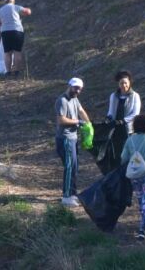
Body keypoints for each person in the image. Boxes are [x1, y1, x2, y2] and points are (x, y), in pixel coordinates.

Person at [55, 77, 90, 207]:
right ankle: (66, 196)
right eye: (75, 88)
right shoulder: (62, 101)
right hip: (65, 138)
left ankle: (73, 193)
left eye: (80, 89)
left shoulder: (75, 99)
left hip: (73, 138)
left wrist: (88, 124)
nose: (77, 91)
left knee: (75, 167)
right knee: (69, 167)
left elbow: (81, 111)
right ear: (69, 86)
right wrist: (77, 122)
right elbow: (61, 120)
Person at [0, 0, 31, 77]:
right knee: (17, 52)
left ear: (5, 1)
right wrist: (28, 10)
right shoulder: (16, 7)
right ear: (13, 1)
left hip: (5, 32)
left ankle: (8, 72)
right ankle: (16, 71)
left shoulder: (0, 10)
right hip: (17, 31)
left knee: (7, 53)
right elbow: (27, 12)